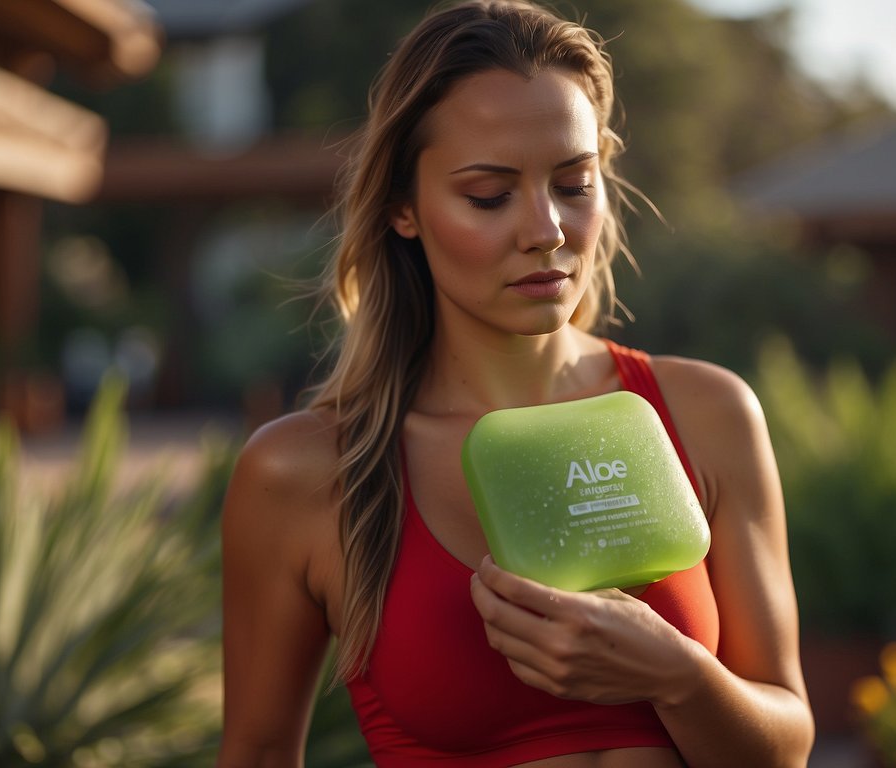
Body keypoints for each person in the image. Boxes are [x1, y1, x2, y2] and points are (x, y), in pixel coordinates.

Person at [217, 1, 814, 765]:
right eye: (490, 196)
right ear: (404, 206)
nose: (548, 230)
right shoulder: (305, 472)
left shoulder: (707, 413)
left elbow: (788, 742)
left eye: (573, 183)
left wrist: (682, 677)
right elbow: (259, 755)